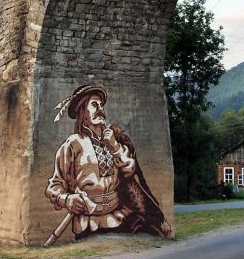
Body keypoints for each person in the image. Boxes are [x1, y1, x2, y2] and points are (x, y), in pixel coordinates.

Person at [45, 84, 171, 241]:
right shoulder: (72, 144)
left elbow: (129, 169)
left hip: (119, 218)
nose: (100, 108)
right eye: (94, 105)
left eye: (101, 105)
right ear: (82, 110)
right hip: (88, 223)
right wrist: (66, 199)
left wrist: (114, 146)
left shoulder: (114, 139)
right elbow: (54, 186)